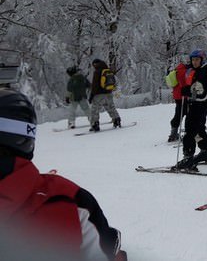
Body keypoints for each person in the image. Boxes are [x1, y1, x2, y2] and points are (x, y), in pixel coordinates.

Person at [0, 89, 127, 260]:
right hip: (88, 96)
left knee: (83, 108)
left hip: (86, 96)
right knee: (91, 107)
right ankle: (95, 121)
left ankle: (89, 121)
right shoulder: (71, 200)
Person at [175, 50, 207, 169]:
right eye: (193, 60)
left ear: (202, 60)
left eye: (197, 60)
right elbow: (192, 86)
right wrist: (187, 90)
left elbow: (206, 93)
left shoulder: (205, 72)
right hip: (193, 104)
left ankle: (188, 156)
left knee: (190, 130)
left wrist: (192, 94)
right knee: (198, 129)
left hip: (201, 105)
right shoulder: (193, 71)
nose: (194, 62)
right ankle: (206, 151)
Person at [89, 59, 121, 131]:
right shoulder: (108, 70)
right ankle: (117, 119)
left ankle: (95, 124)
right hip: (109, 93)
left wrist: (91, 96)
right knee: (110, 107)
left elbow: (95, 85)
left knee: (95, 109)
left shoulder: (97, 72)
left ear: (95, 64)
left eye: (93, 65)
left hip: (98, 94)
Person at [167, 54, 191, 142]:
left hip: (178, 95)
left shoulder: (178, 69)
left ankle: (173, 133)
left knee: (179, 113)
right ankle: (174, 134)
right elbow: (184, 84)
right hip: (182, 96)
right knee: (181, 114)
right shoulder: (183, 71)